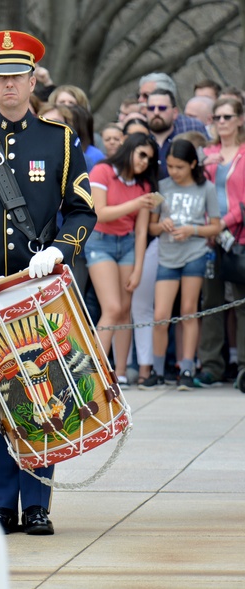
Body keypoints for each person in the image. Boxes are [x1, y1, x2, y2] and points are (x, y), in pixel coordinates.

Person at [0, 31, 96, 535]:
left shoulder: (59, 140)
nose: (8, 86)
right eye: (0, 78)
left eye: (17, 77)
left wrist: (61, 250)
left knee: (44, 389)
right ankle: (1, 504)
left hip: (38, 285)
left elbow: (82, 209)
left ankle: (39, 503)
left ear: (32, 82)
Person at [141, 140, 221, 389]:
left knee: (189, 310)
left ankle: (186, 368)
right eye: (170, 166)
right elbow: (151, 226)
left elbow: (216, 226)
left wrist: (193, 230)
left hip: (194, 254)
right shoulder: (162, 187)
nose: (173, 171)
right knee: (161, 315)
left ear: (193, 164)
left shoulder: (206, 188)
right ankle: (158, 369)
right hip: (167, 255)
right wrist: (161, 225)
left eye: (179, 167)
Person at [86, 133, 158, 386]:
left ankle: (121, 372)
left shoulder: (144, 185)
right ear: (130, 148)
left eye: (149, 159)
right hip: (100, 242)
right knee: (113, 308)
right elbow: (100, 213)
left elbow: (141, 231)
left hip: (128, 245)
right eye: (142, 154)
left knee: (125, 310)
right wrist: (137, 202)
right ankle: (94, 374)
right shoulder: (103, 170)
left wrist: (139, 268)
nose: (144, 162)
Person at [199, 98, 245, 385]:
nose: (222, 121)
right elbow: (191, 188)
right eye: (217, 117)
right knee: (210, 302)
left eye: (228, 116)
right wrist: (203, 164)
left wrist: (221, 224)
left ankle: (243, 365)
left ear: (240, 119)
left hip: (237, 236)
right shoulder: (207, 153)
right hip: (208, 238)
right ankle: (211, 366)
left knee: (242, 302)